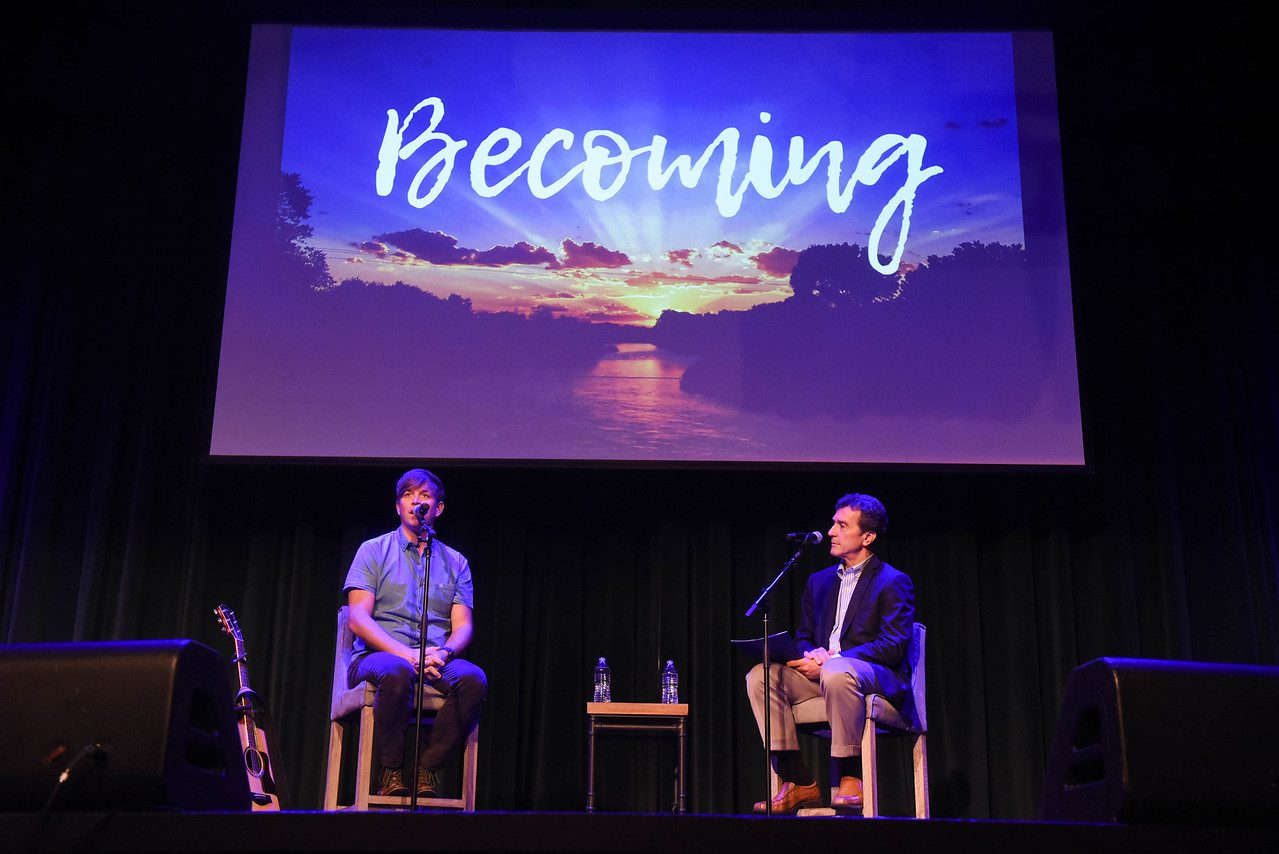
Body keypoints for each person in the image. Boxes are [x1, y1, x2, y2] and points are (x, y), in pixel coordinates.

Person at [745, 493, 915, 814]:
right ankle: (800, 782)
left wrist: (835, 659)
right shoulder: (819, 581)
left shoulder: (893, 581)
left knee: (838, 673)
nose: (831, 531)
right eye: (833, 523)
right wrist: (809, 655)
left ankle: (851, 775)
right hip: (828, 674)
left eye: (841, 525)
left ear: (868, 536)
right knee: (761, 676)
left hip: (875, 675)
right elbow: (806, 637)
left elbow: (893, 645)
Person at [343, 468, 487, 798]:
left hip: (434, 657)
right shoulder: (373, 550)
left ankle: (428, 768)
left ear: (438, 508)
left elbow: (462, 625)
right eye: (408, 495)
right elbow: (357, 619)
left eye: (424, 496)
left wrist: (445, 652)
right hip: (377, 657)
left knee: (473, 679)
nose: (415, 501)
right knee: (396, 671)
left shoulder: (456, 562)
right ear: (398, 506)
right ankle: (391, 771)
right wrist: (407, 654)